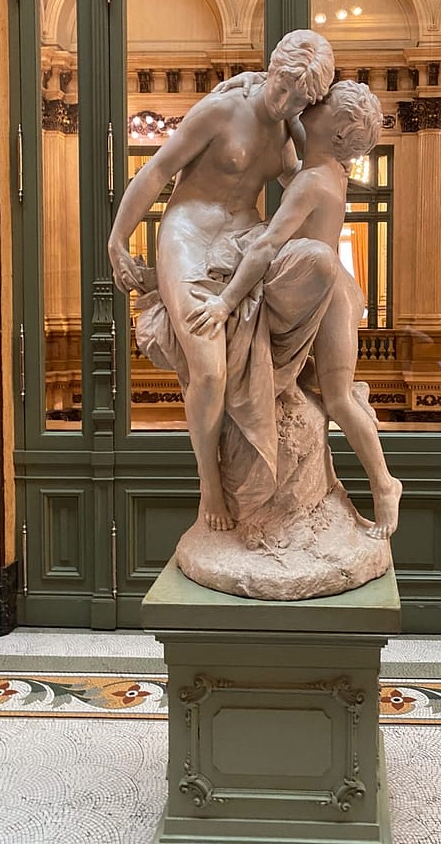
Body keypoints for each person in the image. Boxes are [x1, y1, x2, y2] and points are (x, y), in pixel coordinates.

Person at [108, 30, 336, 532]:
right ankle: (209, 483)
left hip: (244, 236)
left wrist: (313, 145)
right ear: (272, 70)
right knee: (209, 372)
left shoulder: (288, 130)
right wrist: (118, 239)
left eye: (300, 99)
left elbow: (301, 185)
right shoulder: (221, 111)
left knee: (315, 267)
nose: (286, 103)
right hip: (188, 235)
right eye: (284, 88)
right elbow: (157, 171)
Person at [188, 81, 402, 538]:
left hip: (331, 298)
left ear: (337, 133)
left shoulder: (312, 181)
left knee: (339, 398)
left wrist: (226, 301)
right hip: (332, 288)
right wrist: (263, 91)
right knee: (330, 395)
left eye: (323, 104)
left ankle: (385, 484)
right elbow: (297, 146)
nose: (314, 102)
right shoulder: (327, 169)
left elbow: (267, 246)